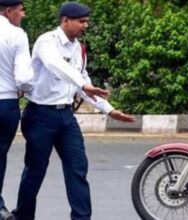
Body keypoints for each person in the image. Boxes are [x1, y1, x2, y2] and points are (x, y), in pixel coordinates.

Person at [11, 2, 136, 220]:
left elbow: (83, 82)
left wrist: (109, 110)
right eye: (81, 21)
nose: (85, 25)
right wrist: (84, 85)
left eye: (87, 21)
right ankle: (23, 216)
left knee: (78, 168)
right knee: (35, 170)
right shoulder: (47, 41)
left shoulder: (78, 48)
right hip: (40, 115)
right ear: (65, 20)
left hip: (66, 117)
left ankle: (81, 218)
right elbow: (56, 66)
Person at [0, 0, 33, 219]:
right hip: (5, 103)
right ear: (9, 11)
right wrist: (25, 89)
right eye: (21, 11)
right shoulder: (16, 35)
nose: (23, 15)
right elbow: (24, 77)